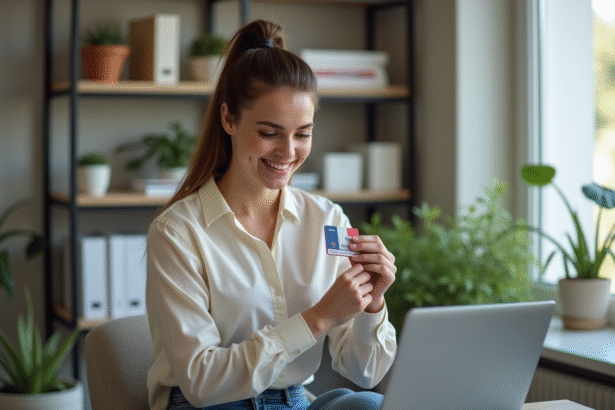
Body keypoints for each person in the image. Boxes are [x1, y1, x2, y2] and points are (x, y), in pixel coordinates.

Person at [146, 19, 397, 410]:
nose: (288, 152)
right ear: (229, 119)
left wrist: (372, 304)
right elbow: (200, 380)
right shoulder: (178, 232)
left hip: (294, 400)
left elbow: (365, 371)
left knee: (367, 403)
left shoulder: (326, 220)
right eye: (269, 133)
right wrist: (315, 319)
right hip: (210, 405)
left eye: (303, 133)